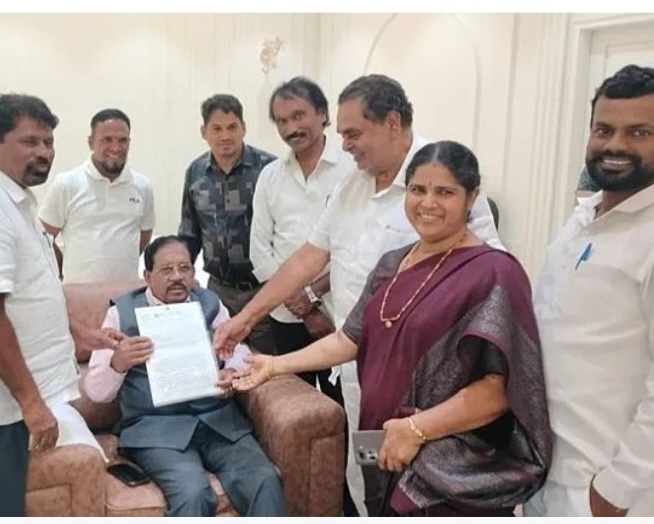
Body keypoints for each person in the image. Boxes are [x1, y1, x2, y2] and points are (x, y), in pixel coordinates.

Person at [226, 141, 552, 516]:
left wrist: (417, 429)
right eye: (418, 189)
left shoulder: (494, 273)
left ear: (471, 197)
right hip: (386, 444)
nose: (428, 203)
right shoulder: (392, 264)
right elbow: (348, 339)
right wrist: (273, 365)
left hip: (453, 465)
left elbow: (503, 386)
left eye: (445, 192)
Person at [0, 93, 103, 516]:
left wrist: (81, 334)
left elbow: (33, 291)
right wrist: (31, 404)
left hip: (15, 396)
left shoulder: (17, 201)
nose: (43, 152)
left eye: (48, 142)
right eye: (29, 142)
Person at [524, 64, 654, 517]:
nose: (615, 144)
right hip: (546, 472)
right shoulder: (584, 217)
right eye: (604, 129)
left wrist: (614, 491)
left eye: (639, 132)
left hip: (610, 493)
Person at [84, 236, 287, 517]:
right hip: (156, 428)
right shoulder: (121, 313)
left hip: (218, 421)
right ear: (147, 276)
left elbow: (238, 350)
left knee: (264, 479)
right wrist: (117, 363)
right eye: (166, 270)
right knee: (193, 493)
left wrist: (232, 370)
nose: (177, 277)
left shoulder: (211, 303)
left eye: (185, 268)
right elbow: (96, 392)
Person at [250, 76, 349, 401]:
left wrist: (314, 297)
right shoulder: (270, 176)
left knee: (341, 402)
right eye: (282, 121)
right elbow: (259, 251)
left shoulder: (352, 169)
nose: (291, 128)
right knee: (296, 404)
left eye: (298, 116)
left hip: (341, 312)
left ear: (322, 113)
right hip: (286, 314)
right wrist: (303, 307)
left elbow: (358, 247)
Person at [178, 94, 277, 355]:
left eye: (232, 127)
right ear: (204, 132)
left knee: (264, 363)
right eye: (217, 129)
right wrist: (184, 274)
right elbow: (189, 233)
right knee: (221, 359)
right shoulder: (195, 172)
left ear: (243, 128)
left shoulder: (269, 169)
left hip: (262, 292)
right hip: (218, 291)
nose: (225, 136)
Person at [39, 108, 155, 283]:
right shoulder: (66, 184)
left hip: (126, 292)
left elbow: (143, 236)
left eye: (122, 140)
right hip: (78, 292)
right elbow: (43, 238)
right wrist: (61, 269)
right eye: (107, 140)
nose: (115, 148)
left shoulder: (142, 186)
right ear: (91, 143)